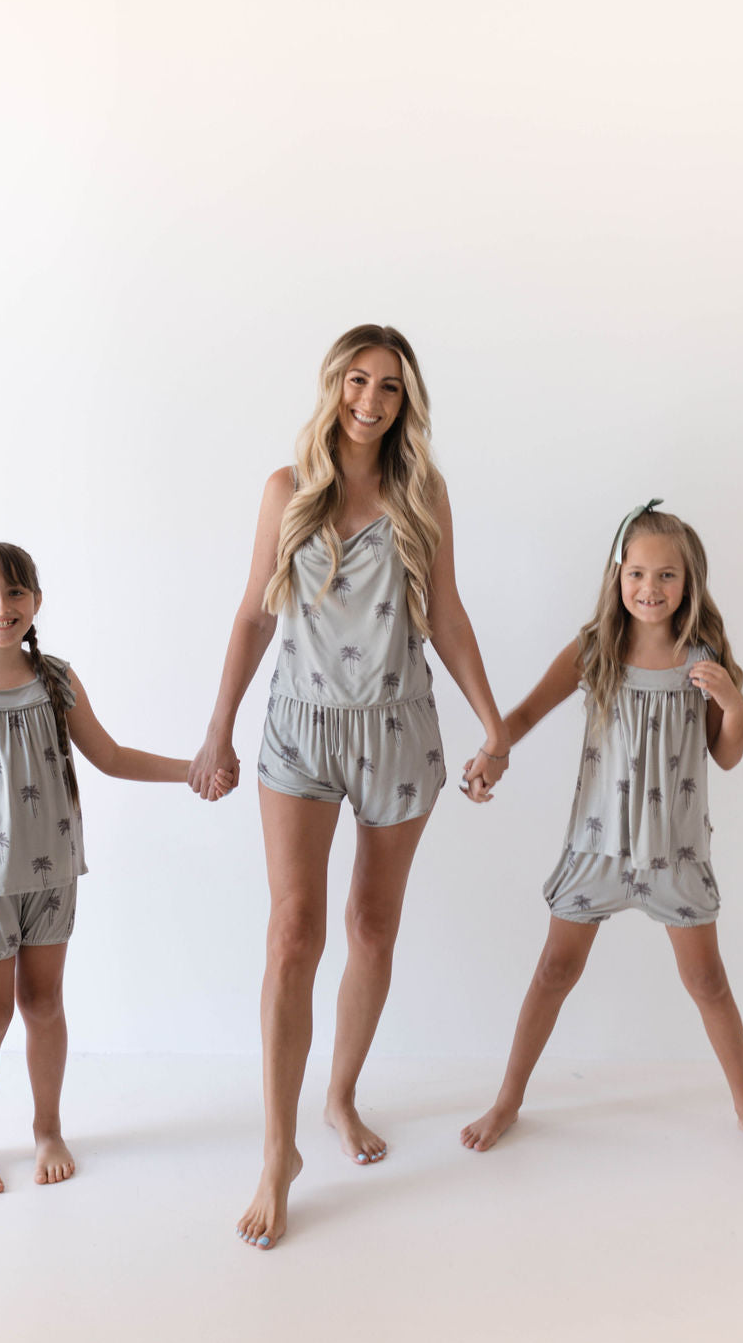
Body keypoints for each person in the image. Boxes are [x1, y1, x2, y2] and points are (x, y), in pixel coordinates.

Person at [190, 324, 508, 1248]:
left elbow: (445, 615)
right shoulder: (287, 491)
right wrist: (218, 726)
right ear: (333, 387)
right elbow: (254, 614)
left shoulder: (423, 492)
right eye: (358, 381)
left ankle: (340, 1095)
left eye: (391, 388)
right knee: (295, 931)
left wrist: (493, 721)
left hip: (398, 728)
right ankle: (277, 1150)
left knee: (373, 924)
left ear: (408, 402)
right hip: (300, 725)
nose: (371, 400)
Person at [0, 541, 232, 1194]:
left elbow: (112, 755)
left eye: (15, 593)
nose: (0, 606)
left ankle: (47, 1128)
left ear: (36, 601)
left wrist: (195, 770)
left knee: (44, 1004)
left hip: (52, 869)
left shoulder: (55, 677)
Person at [460, 501, 743, 1165]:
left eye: (666, 576)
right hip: (598, 846)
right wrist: (492, 752)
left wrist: (733, 703)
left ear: (690, 583)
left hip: (675, 852)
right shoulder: (595, 648)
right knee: (555, 969)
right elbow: (526, 709)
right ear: (618, 577)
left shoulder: (704, 658)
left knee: (708, 983)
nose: (650, 588)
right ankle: (507, 1100)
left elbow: (725, 755)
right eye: (637, 573)